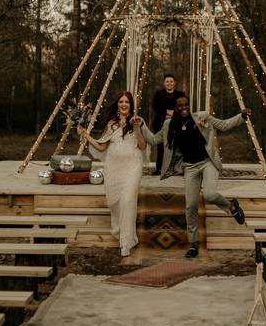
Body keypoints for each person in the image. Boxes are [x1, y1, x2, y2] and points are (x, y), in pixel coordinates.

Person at [143, 96, 250, 258]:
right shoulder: (168, 125)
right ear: (175, 108)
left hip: (207, 163)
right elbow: (152, 140)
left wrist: (241, 116)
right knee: (190, 205)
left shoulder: (201, 117)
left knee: (210, 194)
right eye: (180, 106)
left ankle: (231, 206)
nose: (184, 108)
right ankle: (193, 244)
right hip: (190, 167)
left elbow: (224, 125)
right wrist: (141, 125)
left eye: (186, 105)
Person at [78, 91, 147, 258]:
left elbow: (143, 146)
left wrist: (136, 127)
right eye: (121, 101)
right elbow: (102, 147)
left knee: (127, 201)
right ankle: (126, 234)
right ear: (117, 104)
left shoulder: (138, 121)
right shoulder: (112, 124)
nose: (124, 104)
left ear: (131, 105)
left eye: (127, 102)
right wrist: (87, 136)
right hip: (114, 167)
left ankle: (125, 243)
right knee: (116, 204)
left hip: (133, 165)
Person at [150, 73, 187, 175]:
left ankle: (178, 168)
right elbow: (155, 107)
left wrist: (174, 113)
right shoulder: (158, 94)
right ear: (164, 83)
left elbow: (185, 107)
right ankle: (160, 168)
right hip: (160, 123)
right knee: (161, 146)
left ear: (174, 83)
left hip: (177, 123)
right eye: (167, 81)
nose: (169, 83)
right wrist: (166, 112)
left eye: (171, 81)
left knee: (178, 146)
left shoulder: (180, 95)